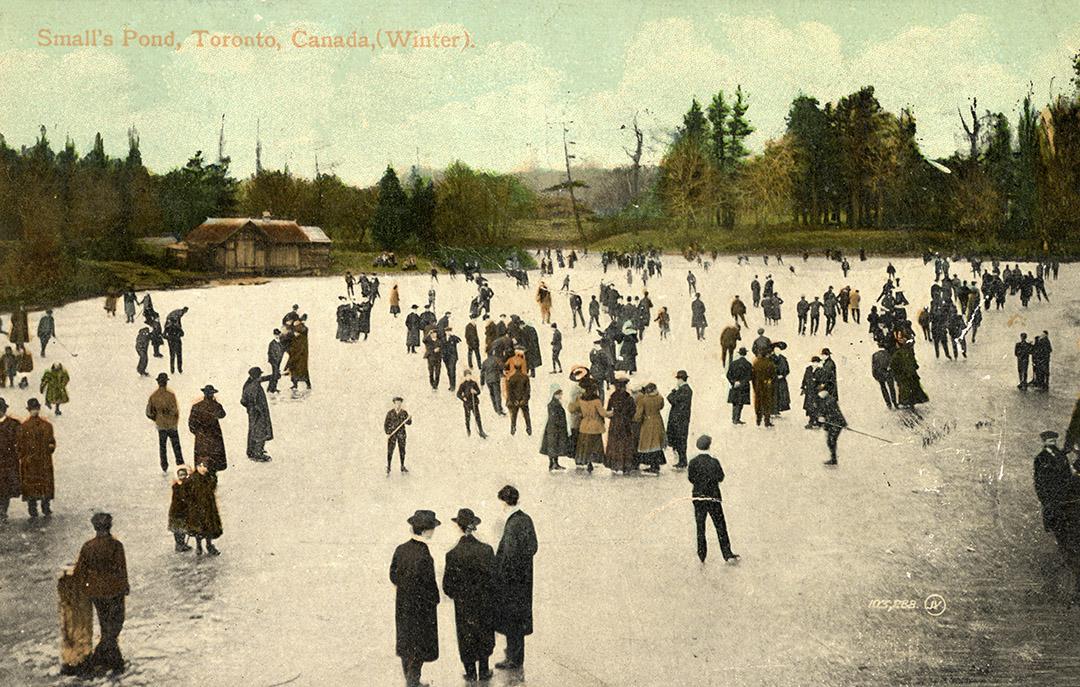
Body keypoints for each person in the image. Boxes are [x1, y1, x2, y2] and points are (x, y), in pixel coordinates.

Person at [71, 513, 129, 674]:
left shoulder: (88, 546)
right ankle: (104, 657)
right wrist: (125, 586)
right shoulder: (116, 545)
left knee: (105, 622)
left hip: (95, 591)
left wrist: (81, 588)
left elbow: (80, 571)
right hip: (114, 590)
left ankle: (109, 658)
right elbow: (121, 568)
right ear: (109, 526)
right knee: (116, 622)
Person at [443, 508, 496, 682]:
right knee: (484, 632)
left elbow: (447, 587)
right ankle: (485, 669)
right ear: (474, 527)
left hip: (464, 606)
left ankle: (470, 672)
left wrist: (460, 596)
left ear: (458, 526)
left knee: (466, 636)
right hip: (485, 603)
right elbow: (494, 580)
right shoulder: (487, 550)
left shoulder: (452, 555)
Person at [390, 510, 441, 687]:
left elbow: (393, 576)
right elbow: (429, 583)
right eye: (432, 528)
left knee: (406, 643)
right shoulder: (424, 553)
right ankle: (414, 681)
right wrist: (434, 600)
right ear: (426, 531)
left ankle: (409, 679)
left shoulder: (401, 549)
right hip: (421, 608)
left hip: (403, 604)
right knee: (419, 645)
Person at [493, 485, 537, 672]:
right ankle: (514, 654)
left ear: (505, 502)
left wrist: (500, 574)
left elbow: (509, 555)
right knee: (519, 619)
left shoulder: (512, 524)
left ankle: (514, 658)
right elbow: (533, 546)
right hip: (524, 579)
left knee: (512, 620)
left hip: (511, 582)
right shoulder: (526, 519)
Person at [687, 435, 739, 563]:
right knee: (720, 526)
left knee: (700, 526)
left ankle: (702, 554)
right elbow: (720, 477)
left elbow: (691, 478)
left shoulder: (693, 462)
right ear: (709, 446)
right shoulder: (714, 462)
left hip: (698, 497)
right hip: (713, 497)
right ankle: (727, 553)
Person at [18, 398, 55, 517]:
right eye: (32, 409)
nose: (34, 411)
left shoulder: (46, 426)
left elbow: (51, 442)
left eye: (36, 409)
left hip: (39, 460)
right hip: (33, 460)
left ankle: (44, 505)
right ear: (29, 410)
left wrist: (49, 448)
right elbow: (20, 444)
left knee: (39, 483)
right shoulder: (24, 427)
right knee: (36, 483)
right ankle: (33, 506)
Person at [185, 457, 222, 555]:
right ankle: (199, 546)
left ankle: (209, 544)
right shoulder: (192, 478)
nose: (203, 468)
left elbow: (212, 487)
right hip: (196, 507)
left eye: (205, 466)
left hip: (208, 507)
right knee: (198, 528)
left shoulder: (210, 477)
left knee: (209, 527)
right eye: (201, 466)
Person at [146, 373, 182, 471]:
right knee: (176, 446)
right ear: (166, 382)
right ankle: (180, 464)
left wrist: (157, 418)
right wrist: (173, 419)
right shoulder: (171, 395)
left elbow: (148, 412)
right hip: (172, 425)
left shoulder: (154, 396)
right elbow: (175, 410)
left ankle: (164, 465)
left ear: (158, 383)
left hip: (161, 425)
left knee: (163, 447)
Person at [188, 385, 227, 473]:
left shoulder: (196, 406)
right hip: (214, 436)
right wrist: (216, 403)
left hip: (201, 437)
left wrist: (198, 433)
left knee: (202, 459)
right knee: (214, 459)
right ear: (212, 394)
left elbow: (191, 423)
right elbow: (222, 414)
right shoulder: (215, 406)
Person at [569, 384, 607, 471]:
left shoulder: (581, 399)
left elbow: (571, 409)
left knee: (585, 446)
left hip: (584, 426)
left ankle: (586, 461)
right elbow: (603, 413)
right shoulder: (597, 401)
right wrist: (612, 413)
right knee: (594, 446)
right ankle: (593, 461)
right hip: (595, 426)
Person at [604, 374, 637, 473]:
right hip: (626, 423)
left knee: (614, 444)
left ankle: (615, 465)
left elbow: (608, 411)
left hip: (615, 422)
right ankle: (625, 465)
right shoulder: (629, 398)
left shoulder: (613, 397)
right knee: (625, 444)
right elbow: (633, 411)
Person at [241, 367, 273, 462]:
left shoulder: (249, 383)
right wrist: (257, 409)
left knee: (253, 430)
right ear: (257, 376)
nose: (261, 376)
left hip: (252, 413)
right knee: (260, 431)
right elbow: (251, 401)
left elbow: (243, 401)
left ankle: (251, 450)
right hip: (258, 413)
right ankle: (258, 453)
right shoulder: (254, 386)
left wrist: (273, 376)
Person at [635, 382, 666, 473]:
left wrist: (635, 419)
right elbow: (661, 407)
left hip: (647, 422)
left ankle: (652, 464)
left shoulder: (644, 400)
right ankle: (656, 464)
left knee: (649, 443)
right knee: (656, 443)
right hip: (658, 421)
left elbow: (639, 415)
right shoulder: (660, 398)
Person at [539, 386, 570, 470]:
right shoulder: (553, 404)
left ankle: (555, 463)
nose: (561, 396)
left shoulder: (555, 403)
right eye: (559, 394)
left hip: (554, 427)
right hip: (555, 428)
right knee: (553, 445)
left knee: (554, 445)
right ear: (554, 394)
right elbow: (554, 417)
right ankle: (552, 463)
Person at [666, 371, 692, 468]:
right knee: (679, 440)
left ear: (681, 379)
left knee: (681, 440)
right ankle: (681, 460)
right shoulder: (685, 389)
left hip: (680, 420)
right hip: (680, 419)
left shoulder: (684, 390)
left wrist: (673, 391)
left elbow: (671, 399)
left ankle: (682, 461)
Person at [0, 398, 20, 519]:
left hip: (8, 461)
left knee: (5, 488)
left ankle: (3, 510)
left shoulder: (13, 424)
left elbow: (20, 441)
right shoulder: (13, 423)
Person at [817, 387, 846, 465]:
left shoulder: (829, 401)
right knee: (830, 441)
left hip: (835, 424)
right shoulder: (826, 400)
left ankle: (833, 459)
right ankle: (833, 458)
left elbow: (835, 414)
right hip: (833, 424)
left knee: (831, 441)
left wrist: (825, 420)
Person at [456, 370, 487, 439]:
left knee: (478, 417)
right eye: (467, 376)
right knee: (467, 417)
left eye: (469, 375)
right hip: (467, 404)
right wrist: (463, 398)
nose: (468, 377)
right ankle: (468, 429)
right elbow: (458, 394)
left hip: (474, 402)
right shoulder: (463, 385)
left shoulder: (474, 383)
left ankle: (481, 431)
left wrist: (475, 392)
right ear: (465, 377)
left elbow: (479, 391)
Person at [168, 465, 192, 552]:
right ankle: (179, 544)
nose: (182, 477)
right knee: (177, 529)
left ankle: (182, 544)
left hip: (183, 511)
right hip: (177, 511)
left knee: (182, 529)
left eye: (184, 475)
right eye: (180, 475)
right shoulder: (176, 487)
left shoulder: (187, 486)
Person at [385, 397, 411, 473]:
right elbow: (386, 424)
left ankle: (402, 466)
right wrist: (389, 432)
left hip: (401, 434)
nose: (398, 405)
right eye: (397, 403)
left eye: (399, 403)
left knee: (402, 450)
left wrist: (409, 419)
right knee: (390, 451)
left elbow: (409, 423)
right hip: (392, 434)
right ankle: (389, 467)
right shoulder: (390, 413)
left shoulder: (404, 413)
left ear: (401, 404)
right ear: (394, 404)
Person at [726, 348, 752, 425]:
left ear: (739, 353)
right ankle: (737, 419)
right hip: (744, 386)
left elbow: (728, 375)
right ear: (745, 354)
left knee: (735, 402)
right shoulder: (748, 364)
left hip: (735, 386)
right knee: (740, 403)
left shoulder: (733, 363)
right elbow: (750, 376)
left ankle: (734, 418)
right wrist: (741, 382)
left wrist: (734, 382)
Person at [505, 365, 532, 436]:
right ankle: (529, 429)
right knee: (526, 415)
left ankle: (513, 429)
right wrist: (524, 399)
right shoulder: (525, 377)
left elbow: (510, 391)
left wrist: (514, 400)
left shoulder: (512, 378)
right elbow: (528, 390)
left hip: (515, 401)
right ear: (521, 368)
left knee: (514, 416)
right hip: (523, 400)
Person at [751, 351, 776, 427]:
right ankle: (767, 421)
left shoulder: (755, 363)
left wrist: (755, 386)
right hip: (767, 386)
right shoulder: (770, 363)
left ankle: (758, 419)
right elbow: (773, 375)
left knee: (758, 402)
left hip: (758, 386)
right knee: (767, 403)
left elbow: (753, 376)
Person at [285, 319, 311, 390]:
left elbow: (304, 330)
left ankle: (308, 384)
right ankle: (295, 384)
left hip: (301, 355)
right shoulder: (295, 334)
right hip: (296, 354)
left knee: (302, 370)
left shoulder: (302, 334)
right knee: (294, 371)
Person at [871, 344, 897, 409]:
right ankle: (894, 402)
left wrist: (875, 375)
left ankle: (888, 404)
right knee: (891, 387)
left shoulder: (875, 355)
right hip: (888, 372)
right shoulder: (887, 353)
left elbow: (874, 367)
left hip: (879, 373)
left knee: (883, 387)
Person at [163, 307, 186, 374]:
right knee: (179, 355)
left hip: (171, 342)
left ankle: (172, 370)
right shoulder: (177, 327)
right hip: (177, 341)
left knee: (172, 356)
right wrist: (177, 335)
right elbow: (182, 333)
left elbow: (164, 335)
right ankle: (179, 369)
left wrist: (169, 337)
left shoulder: (168, 327)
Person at [267, 329, 285, 394]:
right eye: (275, 334)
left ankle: (272, 388)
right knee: (275, 374)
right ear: (274, 335)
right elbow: (270, 353)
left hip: (278, 361)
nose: (277, 336)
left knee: (276, 374)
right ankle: (272, 389)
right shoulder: (272, 343)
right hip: (274, 361)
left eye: (278, 334)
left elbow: (282, 351)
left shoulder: (280, 343)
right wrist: (274, 360)